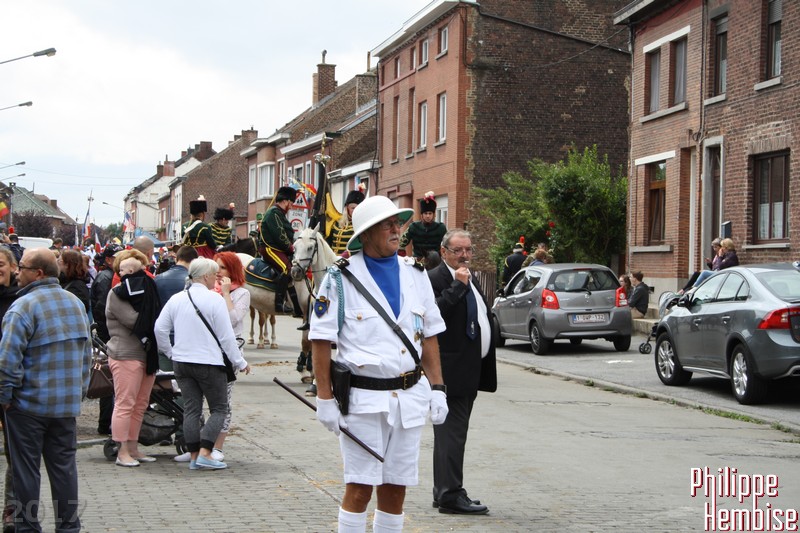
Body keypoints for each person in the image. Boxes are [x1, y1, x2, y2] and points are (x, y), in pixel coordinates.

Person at [309, 194, 448, 533]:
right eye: (387, 225)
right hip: (364, 402)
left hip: (408, 399)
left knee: (395, 489)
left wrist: (438, 388)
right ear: (367, 233)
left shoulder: (415, 274)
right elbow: (321, 340)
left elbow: (429, 334)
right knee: (359, 489)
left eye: (397, 223)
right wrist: (324, 398)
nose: (396, 229)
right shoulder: (340, 278)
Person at [0, 248, 91, 533]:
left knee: (26, 472)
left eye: (22, 267)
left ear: (38, 273)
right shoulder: (75, 304)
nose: (18, 272)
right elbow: (86, 356)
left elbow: (7, 361)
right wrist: (78, 394)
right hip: (64, 406)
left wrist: (5, 398)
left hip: (28, 405)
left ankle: (28, 527)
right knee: (64, 470)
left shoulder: (23, 306)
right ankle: (68, 527)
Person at [154, 258, 251, 470]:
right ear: (206, 276)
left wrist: (170, 352)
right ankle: (206, 452)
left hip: (182, 362)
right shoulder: (214, 300)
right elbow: (226, 337)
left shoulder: (177, 298)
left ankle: (194, 456)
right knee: (219, 408)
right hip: (208, 362)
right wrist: (240, 361)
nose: (216, 278)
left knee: (191, 409)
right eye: (214, 274)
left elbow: (159, 329)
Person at [428, 229, 497, 515]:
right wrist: (457, 286)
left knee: (453, 436)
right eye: (458, 250)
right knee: (451, 436)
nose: (464, 255)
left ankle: (443, 490)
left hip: (469, 371)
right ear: (444, 251)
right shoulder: (435, 279)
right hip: (449, 372)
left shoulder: (468, 276)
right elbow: (432, 316)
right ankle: (450, 495)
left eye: (468, 249)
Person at [105, 249, 161, 467]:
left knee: (140, 404)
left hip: (146, 354)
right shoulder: (117, 294)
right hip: (126, 354)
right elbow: (135, 320)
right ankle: (122, 451)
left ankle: (133, 447)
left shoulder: (147, 291)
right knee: (125, 403)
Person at [211, 251, 250, 461]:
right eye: (216, 267)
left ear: (232, 270)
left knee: (224, 400)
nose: (218, 272)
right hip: (207, 350)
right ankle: (201, 444)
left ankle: (218, 446)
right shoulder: (209, 289)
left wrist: (226, 293)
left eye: (223, 267)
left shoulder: (242, 293)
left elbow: (233, 319)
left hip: (229, 351)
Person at [90, 243, 123, 436]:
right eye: (118, 258)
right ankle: (106, 423)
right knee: (109, 379)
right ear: (109, 260)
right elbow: (103, 309)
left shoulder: (111, 276)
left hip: (109, 335)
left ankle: (108, 422)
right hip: (108, 336)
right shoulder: (105, 278)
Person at [259, 186, 302, 316]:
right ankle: (279, 304)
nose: (292, 206)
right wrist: (291, 248)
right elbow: (280, 235)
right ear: (285, 201)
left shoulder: (280, 214)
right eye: (291, 203)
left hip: (279, 249)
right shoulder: (274, 213)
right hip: (270, 248)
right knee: (285, 269)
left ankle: (296, 306)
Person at [0, 248, 19, 532]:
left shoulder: (20, 300)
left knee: (15, 455)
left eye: (0, 264)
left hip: (10, 385)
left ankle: (12, 513)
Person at [399, 191, 447, 263]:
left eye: (430, 213)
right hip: (417, 262)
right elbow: (401, 243)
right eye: (425, 213)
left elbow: (448, 244)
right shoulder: (413, 226)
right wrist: (402, 258)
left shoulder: (441, 227)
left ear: (434, 214)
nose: (428, 216)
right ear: (421, 215)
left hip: (435, 262)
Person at [326, 184, 366, 256]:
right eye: (353, 208)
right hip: (333, 259)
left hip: (351, 260)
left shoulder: (362, 226)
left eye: (358, 208)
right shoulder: (336, 223)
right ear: (347, 208)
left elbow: (360, 247)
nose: (355, 210)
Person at [58, 248, 91, 314]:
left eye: (59, 261)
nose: (57, 263)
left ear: (67, 265)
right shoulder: (62, 281)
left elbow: (79, 311)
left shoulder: (78, 287)